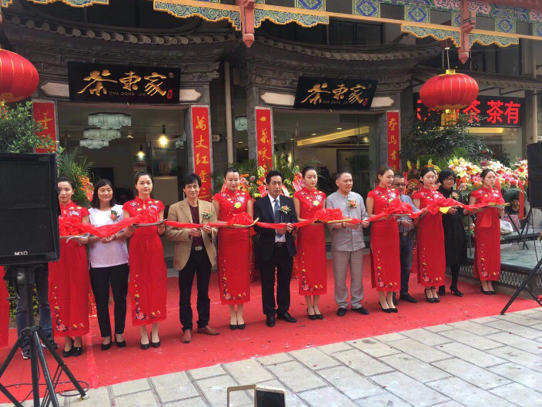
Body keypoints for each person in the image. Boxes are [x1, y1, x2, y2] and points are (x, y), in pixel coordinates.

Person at [166, 174, 219, 343]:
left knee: (204, 291)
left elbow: (216, 228)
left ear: (199, 188)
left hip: (204, 253)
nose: (192, 189)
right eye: (189, 186)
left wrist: (210, 231)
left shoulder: (208, 206)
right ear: (184, 189)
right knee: (185, 293)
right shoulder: (175, 208)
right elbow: (169, 232)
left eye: (195, 186)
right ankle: (187, 327)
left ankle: (203, 323)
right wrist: (187, 233)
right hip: (186, 255)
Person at [123, 172, 167, 350]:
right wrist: (130, 227)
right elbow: (126, 233)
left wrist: (162, 226)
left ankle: (155, 330)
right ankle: (143, 331)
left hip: (155, 248)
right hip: (137, 249)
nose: (145, 186)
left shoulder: (158, 205)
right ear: (136, 185)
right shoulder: (128, 206)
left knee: (156, 286)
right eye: (142, 183)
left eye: (148, 182)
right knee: (138, 287)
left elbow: (161, 231)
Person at [50, 176, 90, 357]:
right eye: (59, 189)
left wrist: (82, 238)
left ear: (73, 191)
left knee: (77, 295)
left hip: (76, 258)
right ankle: (66, 338)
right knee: (60, 296)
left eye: (67, 189)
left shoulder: (82, 211)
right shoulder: (50, 212)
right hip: (57, 261)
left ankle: (78, 336)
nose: (63, 193)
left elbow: (87, 236)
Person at [88, 179, 129, 350]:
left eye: (109, 190)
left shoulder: (121, 210)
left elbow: (128, 231)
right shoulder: (89, 213)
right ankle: (106, 335)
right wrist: (99, 237)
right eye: (102, 190)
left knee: (120, 298)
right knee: (101, 300)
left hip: (119, 259)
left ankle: (119, 332)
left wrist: (115, 236)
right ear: (96, 193)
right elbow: (85, 238)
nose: (106, 193)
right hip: (98, 263)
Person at [253, 170, 298, 328]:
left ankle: (283, 310)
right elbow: (257, 226)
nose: (277, 186)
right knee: (267, 282)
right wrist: (274, 230)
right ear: (267, 185)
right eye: (274, 183)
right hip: (268, 248)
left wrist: (291, 226)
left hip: (285, 247)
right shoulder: (259, 204)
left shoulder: (288, 201)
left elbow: (294, 219)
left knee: (284, 281)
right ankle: (270, 312)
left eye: (280, 183)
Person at [212, 168, 252, 330]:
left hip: (242, 238)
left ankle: (240, 313)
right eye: (230, 179)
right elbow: (214, 220)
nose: (234, 182)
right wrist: (228, 223)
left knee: (242, 274)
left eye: (236, 179)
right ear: (224, 181)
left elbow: (250, 219)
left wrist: (241, 223)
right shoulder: (218, 198)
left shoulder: (246, 196)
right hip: (226, 239)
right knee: (228, 274)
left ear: (240, 180)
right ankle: (231, 314)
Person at [326, 171, 370, 316]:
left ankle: (357, 303)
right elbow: (330, 223)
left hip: (357, 242)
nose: (349, 183)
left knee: (357, 275)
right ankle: (342, 304)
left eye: (350, 180)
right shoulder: (331, 199)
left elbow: (364, 215)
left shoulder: (358, 197)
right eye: (345, 181)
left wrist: (365, 221)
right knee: (340, 276)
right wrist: (344, 224)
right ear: (337, 182)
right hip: (340, 244)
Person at [293, 166, 327, 320]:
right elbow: (297, 218)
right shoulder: (298, 195)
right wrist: (310, 221)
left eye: (315, 176)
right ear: (303, 179)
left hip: (319, 234)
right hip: (306, 234)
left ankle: (317, 305)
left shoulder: (322, 195)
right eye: (309, 177)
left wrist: (323, 220)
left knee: (318, 269)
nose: (313, 179)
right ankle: (309, 305)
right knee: (307, 269)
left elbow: (324, 215)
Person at [366, 166, 401, 313]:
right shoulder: (372, 194)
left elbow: (399, 209)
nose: (391, 179)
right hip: (379, 231)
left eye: (392, 177)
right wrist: (383, 216)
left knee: (393, 263)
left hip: (392, 230)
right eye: (388, 176)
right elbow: (369, 216)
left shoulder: (395, 192)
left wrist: (398, 214)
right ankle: (382, 298)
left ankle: (390, 298)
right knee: (381, 263)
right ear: (379, 177)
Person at [4, 264, 57, 360]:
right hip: (21, 265)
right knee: (23, 305)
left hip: (42, 264)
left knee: (45, 302)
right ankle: (25, 343)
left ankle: (47, 336)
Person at [412, 168, 446, 303]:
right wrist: (424, 212)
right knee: (427, 255)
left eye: (433, 177)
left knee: (437, 257)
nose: (431, 179)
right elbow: (415, 215)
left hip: (438, 228)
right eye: (428, 177)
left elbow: (444, 209)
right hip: (425, 229)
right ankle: (427, 286)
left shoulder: (439, 195)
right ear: (421, 179)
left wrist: (446, 209)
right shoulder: (417, 195)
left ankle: (434, 285)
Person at [469, 169, 504, 295]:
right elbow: (470, 210)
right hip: (482, 225)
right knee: (483, 250)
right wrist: (481, 208)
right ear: (482, 179)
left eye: (494, 177)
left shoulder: (497, 193)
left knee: (494, 251)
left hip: (494, 225)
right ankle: (484, 281)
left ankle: (491, 279)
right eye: (489, 177)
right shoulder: (476, 193)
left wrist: (501, 209)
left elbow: (501, 213)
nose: (492, 179)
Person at [438, 170, 468, 297]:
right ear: (441, 180)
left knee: (457, 256)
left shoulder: (456, 193)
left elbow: (462, 211)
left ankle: (454, 285)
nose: (449, 181)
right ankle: (441, 285)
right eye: (446, 179)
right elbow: (435, 209)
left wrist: (471, 209)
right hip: (443, 226)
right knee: (443, 256)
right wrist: (445, 210)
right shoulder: (438, 193)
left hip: (457, 226)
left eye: (451, 179)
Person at [392, 174, 419, 304]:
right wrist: (400, 222)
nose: (401, 187)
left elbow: (414, 211)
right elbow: (385, 217)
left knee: (406, 266)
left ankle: (404, 292)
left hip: (407, 235)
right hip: (394, 235)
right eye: (397, 184)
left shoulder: (407, 198)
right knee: (393, 266)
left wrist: (425, 210)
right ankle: (391, 293)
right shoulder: (389, 199)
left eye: (403, 184)